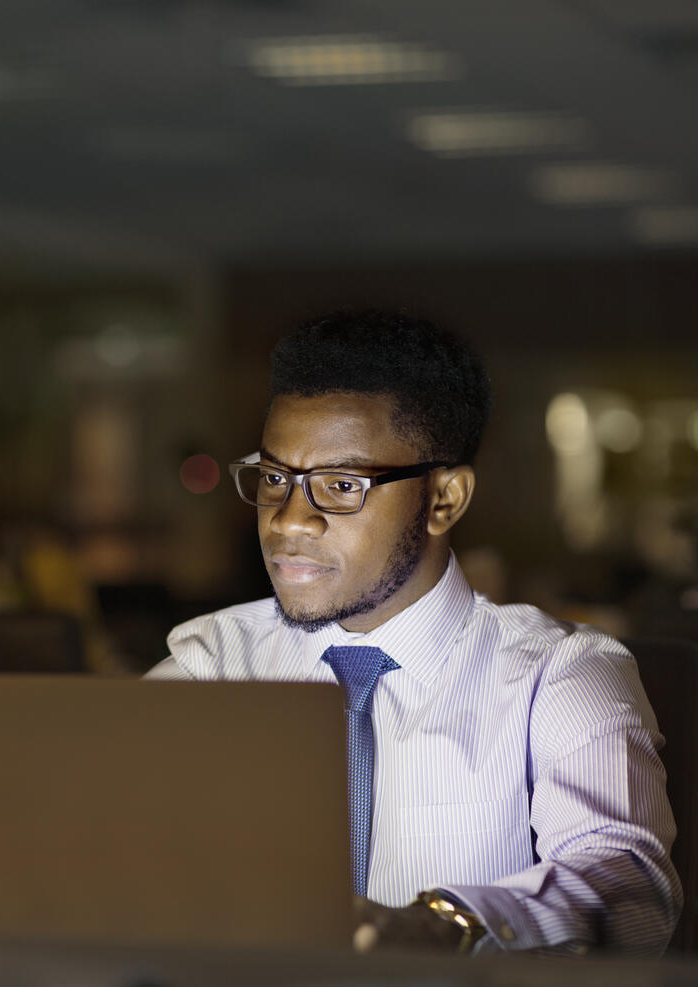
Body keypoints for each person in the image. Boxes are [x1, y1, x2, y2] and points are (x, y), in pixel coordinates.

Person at [147, 309, 680, 955]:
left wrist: (441, 923)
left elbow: (626, 883)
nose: (289, 520)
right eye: (274, 478)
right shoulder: (213, 661)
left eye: (341, 485)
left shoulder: (558, 673)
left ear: (444, 499)